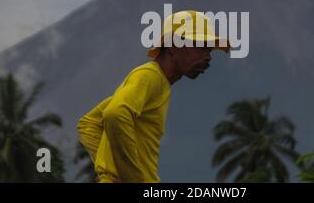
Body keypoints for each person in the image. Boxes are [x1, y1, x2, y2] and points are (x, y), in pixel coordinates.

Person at [76, 10, 230, 183]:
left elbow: (89, 123)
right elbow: (115, 114)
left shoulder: (158, 82)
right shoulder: (148, 77)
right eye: (200, 47)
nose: (208, 57)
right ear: (173, 46)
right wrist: (128, 178)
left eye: (209, 50)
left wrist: (110, 171)